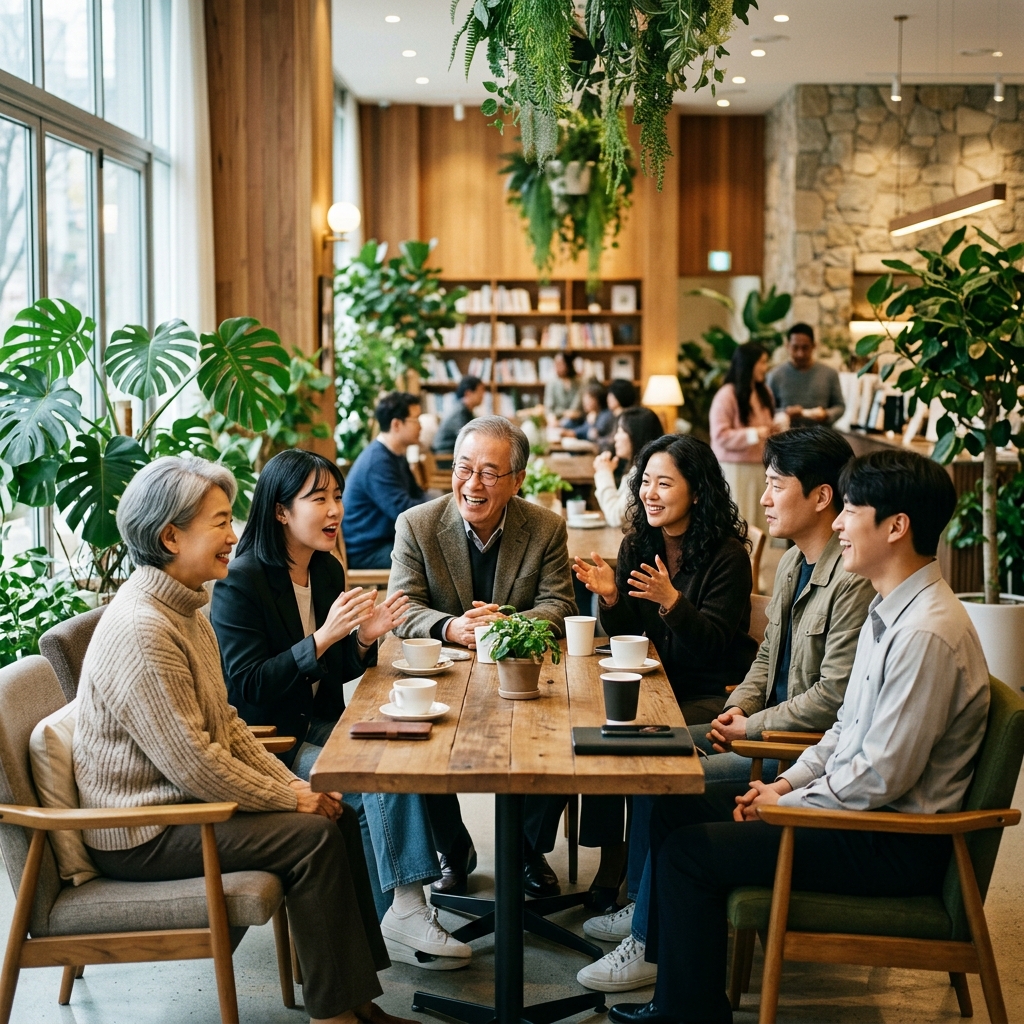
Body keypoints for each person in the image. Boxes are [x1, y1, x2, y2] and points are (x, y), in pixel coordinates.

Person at [610, 448, 988, 1024]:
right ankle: (680, 996)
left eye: (851, 509)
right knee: (676, 809)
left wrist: (789, 801)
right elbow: (844, 731)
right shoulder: (894, 611)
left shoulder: (926, 634)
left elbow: (882, 775)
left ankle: (687, 1014)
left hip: (890, 840)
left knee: (690, 854)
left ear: (896, 527)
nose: (838, 522)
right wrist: (785, 781)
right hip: (856, 813)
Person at [73, 456, 408, 1024]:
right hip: (144, 830)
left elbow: (227, 724)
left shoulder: (185, 607)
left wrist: (291, 784)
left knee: (335, 817)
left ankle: (354, 999)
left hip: (181, 807)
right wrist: (292, 795)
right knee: (311, 834)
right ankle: (338, 1014)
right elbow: (196, 765)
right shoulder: (144, 627)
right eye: (221, 522)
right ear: (170, 537)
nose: (236, 535)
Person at [578, 425, 875, 994]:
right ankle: (645, 910)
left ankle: (648, 937)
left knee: (663, 775)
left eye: (774, 484)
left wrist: (750, 723)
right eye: (646, 481)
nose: (763, 498)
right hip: (753, 724)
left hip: (792, 753)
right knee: (638, 745)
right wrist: (739, 708)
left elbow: (830, 699)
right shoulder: (792, 563)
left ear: (821, 496)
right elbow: (765, 661)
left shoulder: (849, 579)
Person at [211, 449, 472, 970]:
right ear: (281, 511)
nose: (335, 510)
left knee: (407, 749)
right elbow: (245, 685)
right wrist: (324, 637)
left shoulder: (326, 571)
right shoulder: (242, 582)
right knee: (370, 777)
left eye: (336, 496)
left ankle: (396, 915)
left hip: (321, 724)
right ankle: (405, 909)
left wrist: (361, 641)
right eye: (318, 499)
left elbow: (332, 675)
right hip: (270, 743)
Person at [389, 415, 577, 898]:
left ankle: (525, 849)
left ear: (517, 480)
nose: (473, 484)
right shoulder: (417, 524)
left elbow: (561, 604)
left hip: (520, 671)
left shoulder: (545, 527)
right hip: (442, 670)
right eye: (463, 468)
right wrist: (452, 625)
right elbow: (401, 605)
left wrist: (509, 625)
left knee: (565, 738)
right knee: (410, 745)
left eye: (490, 473)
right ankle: (453, 850)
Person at [575, 434, 758, 723]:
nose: (650, 493)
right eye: (646, 482)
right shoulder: (638, 545)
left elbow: (711, 647)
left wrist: (671, 600)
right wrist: (611, 598)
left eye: (664, 484)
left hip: (711, 694)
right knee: (585, 713)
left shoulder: (727, 556)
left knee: (628, 729)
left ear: (697, 492)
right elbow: (626, 632)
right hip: (655, 681)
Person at [342, 392, 426, 570]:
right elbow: (405, 511)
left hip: (386, 540)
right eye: (416, 419)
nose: (421, 426)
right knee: (432, 558)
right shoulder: (377, 462)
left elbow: (417, 494)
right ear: (396, 424)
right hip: (367, 550)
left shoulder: (395, 454)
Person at [710, 342, 784, 534]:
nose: (765, 367)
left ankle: (761, 563)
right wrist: (756, 433)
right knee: (741, 520)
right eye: (762, 362)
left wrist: (773, 429)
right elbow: (720, 435)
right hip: (735, 469)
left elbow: (766, 427)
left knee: (762, 520)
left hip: (761, 467)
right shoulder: (726, 395)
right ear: (748, 364)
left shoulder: (764, 393)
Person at [593, 407, 664, 529]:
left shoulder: (644, 473)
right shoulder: (636, 468)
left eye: (621, 431)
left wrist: (604, 473)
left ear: (636, 435)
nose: (615, 437)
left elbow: (616, 518)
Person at [767, 323, 846, 426]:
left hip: (821, 436)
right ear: (787, 346)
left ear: (814, 346)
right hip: (786, 437)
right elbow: (766, 410)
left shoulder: (829, 374)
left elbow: (840, 406)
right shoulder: (775, 375)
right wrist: (785, 412)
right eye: (795, 348)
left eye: (805, 348)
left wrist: (826, 414)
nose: (800, 354)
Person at [433, 375, 486, 453]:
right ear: (468, 393)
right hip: (444, 455)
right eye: (480, 391)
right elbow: (466, 437)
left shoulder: (467, 411)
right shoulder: (459, 412)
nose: (482, 395)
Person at [544, 352, 583, 421]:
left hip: (576, 420)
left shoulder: (578, 383)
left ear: (568, 365)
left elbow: (577, 406)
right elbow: (549, 408)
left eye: (560, 364)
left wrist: (572, 414)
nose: (556, 367)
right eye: (555, 364)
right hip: (557, 420)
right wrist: (564, 413)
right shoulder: (552, 384)